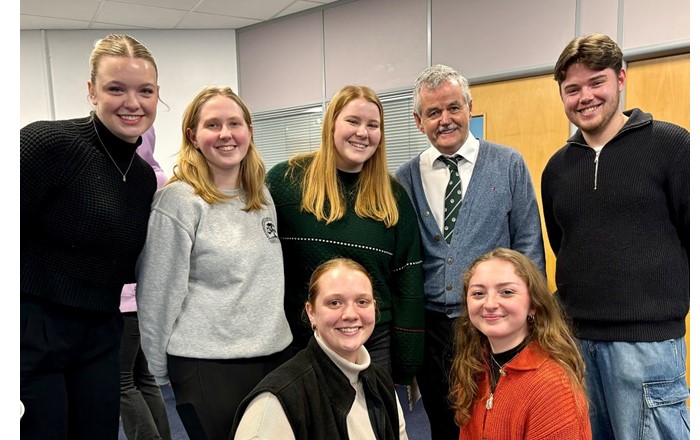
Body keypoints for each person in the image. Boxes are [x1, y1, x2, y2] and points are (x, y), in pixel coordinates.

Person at [541, 33, 690, 439]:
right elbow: (564, 245)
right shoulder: (556, 169)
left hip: (647, 348)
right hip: (575, 345)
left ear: (621, 78)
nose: (584, 97)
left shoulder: (674, 147)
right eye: (572, 89)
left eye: (596, 82)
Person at [20, 33, 160, 440]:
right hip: (33, 333)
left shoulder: (143, 179)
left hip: (100, 335)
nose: (132, 103)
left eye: (144, 91)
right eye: (116, 88)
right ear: (91, 91)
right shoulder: (47, 144)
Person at [394, 64, 545, 439]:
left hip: (492, 324)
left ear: (470, 108)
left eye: (453, 108)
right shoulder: (404, 178)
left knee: (497, 421)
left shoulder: (508, 164)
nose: (444, 120)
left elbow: (529, 246)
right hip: (431, 331)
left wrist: (531, 321)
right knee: (444, 424)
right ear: (418, 121)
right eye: (433, 112)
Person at [136, 85, 293, 440]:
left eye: (234, 123)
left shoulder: (261, 196)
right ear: (193, 135)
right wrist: (159, 372)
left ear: (249, 132)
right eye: (213, 125)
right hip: (208, 366)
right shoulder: (178, 201)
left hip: (275, 355)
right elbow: (158, 294)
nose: (226, 134)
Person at [266, 84, 424, 385]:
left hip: (372, 343)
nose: (362, 132)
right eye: (353, 121)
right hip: (302, 342)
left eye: (372, 125)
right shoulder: (286, 181)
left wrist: (407, 359)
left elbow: (408, 279)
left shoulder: (393, 197)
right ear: (332, 124)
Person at [232, 258, 409, 440]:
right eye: (334, 303)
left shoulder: (381, 382)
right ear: (311, 313)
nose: (350, 314)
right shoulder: (276, 403)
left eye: (362, 302)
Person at [450, 247, 591, 439]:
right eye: (478, 293)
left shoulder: (551, 387)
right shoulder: (474, 367)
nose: (490, 304)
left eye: (506, 292)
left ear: (533, 304)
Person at [119, 126, 172, 440]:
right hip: (147, 299)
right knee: (145, 379)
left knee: (122, 383)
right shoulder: (160, 179)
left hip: (125, 297)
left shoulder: (128, 181)